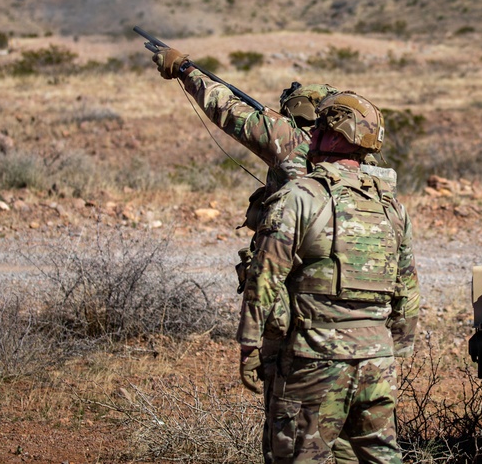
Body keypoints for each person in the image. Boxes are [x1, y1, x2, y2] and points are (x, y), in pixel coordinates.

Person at [151, 47, 338, 459]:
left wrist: (185, 70)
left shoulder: (288, 138)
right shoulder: (360, 160)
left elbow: (226, 108)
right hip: (349, 304)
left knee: (286, 417)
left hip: (292, 299)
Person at [237, 91, 420, 464]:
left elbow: (266, 275)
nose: (313, 133)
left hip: (314, 359)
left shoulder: (300, 196)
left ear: (336, 136)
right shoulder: (390, 206)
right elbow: (408, 291)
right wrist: (393, 348)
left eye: (320, 126)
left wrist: (249, 344)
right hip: (377, 364)